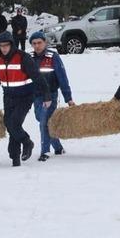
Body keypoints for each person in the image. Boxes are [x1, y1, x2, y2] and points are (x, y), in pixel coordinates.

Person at [0, 32, 50, 167]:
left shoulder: (23, 57)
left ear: (12, 44)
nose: (4, 48)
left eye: (7, 45)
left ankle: (27, 143)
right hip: (8, 96)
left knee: (13, 123)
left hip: (25, 96)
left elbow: (37, 77)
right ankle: (15, 158)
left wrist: (46, 96)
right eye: (1, 46)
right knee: (10, 124)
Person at [29, 31, 75, 161]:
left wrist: (68, 98)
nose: (37, 46)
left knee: (44, 121)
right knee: (43, 120)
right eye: (34, 43)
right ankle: (58, 147)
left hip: (51, 95)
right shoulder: (30, 57)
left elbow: (62, 77)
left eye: (39, 43)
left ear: (45, 43)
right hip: (36, 96)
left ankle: (45, 151)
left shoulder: (52, 56)